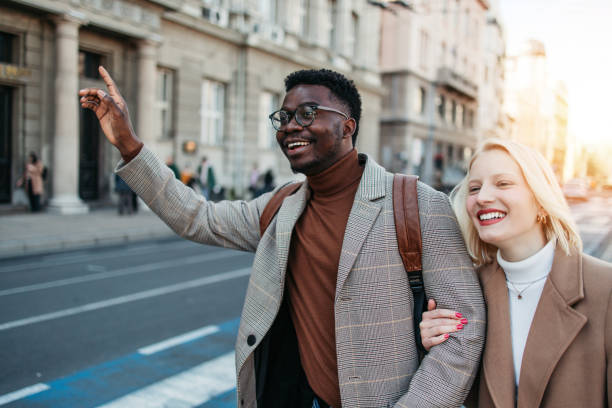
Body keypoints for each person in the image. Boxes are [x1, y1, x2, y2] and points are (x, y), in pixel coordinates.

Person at [79, 66, 485, 408]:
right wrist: (129, 146)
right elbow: (197, 217)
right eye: (285, 116)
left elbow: (464, 332)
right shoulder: (281, 206)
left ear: (347, 126)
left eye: (307, 113)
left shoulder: (416, 204)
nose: (291, 126)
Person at [419, 138, 612, 407]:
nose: (482, 197)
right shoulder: (467, 289)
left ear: (541, 201)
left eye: (503, 183)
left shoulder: (605, 288)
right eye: (474, 188)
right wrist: (438, 350)